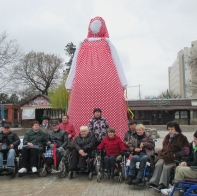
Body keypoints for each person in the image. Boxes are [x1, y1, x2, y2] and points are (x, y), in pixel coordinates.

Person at [65, 16, 128, 139]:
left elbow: (117, 60)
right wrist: (69, 83)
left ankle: (115, 140)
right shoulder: (82, 43)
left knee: (113, 111)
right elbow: (74, 62)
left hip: (107, 80)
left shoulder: (107, 42)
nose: (95, 27)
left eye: (98, 25)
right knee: (79, 112)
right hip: (84, 80)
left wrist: (123, 82)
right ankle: (80, 139)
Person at [146, 121, 190, 191]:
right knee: (158, 164)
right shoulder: (167, 137)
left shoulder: (182, 138)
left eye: (172, 129)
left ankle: (163, 184)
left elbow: (186, 150)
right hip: (164, 155)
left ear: (176, 129)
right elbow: (164, 148)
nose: (170, 131)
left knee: (166, 167)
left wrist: (177, 154)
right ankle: (154, 182)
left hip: (174, 157)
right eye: (169, 129)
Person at [161, 131, 197, 195]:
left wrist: (187, 164)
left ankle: (176, 193)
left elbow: (195, 163)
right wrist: (184, 162)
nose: (194, 140)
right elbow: (190, 158)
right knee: (179, 167)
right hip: (194, 168)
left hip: (195, 169)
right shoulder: (195, 148)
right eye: (194, 138)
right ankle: (175, 188)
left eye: (196, 139)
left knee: (181, 170)